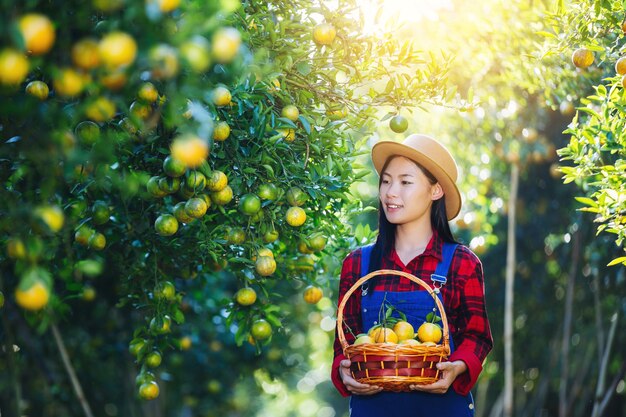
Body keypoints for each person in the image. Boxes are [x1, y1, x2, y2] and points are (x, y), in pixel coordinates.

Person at [331, 134, 493, 417]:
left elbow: (477, 337)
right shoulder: (357, 265)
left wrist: (457, 368)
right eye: (386, 181)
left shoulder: (461, 263)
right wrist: (344, 372)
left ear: (436, 191)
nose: (391, 192)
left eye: (405, 182)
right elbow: (342, 345)